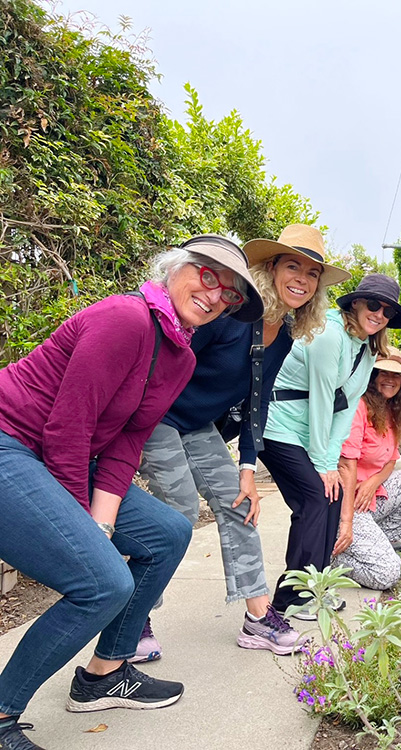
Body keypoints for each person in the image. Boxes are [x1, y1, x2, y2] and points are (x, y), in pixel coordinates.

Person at [0, 235, 261, 749]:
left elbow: (128, 439)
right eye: (208, 276)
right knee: (104, 582)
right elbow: (67, 430)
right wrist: (88, 532)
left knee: (169, 532)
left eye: (228, 294)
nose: (214, 296)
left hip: (62, 452)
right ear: (176, 267)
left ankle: (105, 673)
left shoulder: (180, 357)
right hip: (10, 441)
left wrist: (101, 523)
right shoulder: (125, 318)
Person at [139, 224, 348, 657]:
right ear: (269, 269)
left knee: (240, 506)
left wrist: (248, 469)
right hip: (156, 417)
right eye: (293, 266)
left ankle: (257, 618)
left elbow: (258, 401)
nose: (302, 280)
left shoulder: (285, 334)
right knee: (177, 515)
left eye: (312, 274)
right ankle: (134, 618)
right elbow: (170, 356)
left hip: (197, 427)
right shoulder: (230, 316)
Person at [260, 274, 401, 618]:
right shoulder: (329, 334)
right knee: (315, 496)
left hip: (310, 430)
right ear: (356, 303)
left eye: (387, 311)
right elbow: (322, 400)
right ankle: (291, 598)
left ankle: (316, 586)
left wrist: (329, 459)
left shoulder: (368, 347)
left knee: (332, 496)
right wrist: (323, 464)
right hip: (279, 426)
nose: (378, 314)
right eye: (373, 304)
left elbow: (347, 405)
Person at [333, 349, 401, 589]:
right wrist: (348, 519)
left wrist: (373, 482)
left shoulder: (391, 410)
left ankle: (382, 541)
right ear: (372, 376)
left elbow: (392, 459)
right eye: (384, 373)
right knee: (388, 574)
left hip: (369, 496)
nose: (390, 379)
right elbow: (345, 463)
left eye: (397, 375)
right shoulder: (359, 407)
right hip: (347, 501)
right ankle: (333, 558)